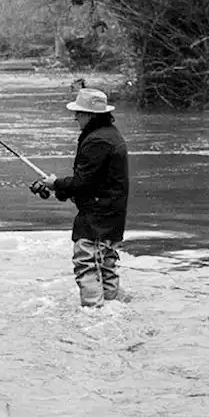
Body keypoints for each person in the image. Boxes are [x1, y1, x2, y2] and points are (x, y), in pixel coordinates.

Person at [38, 88, 130, 309]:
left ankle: (94, 316)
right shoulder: (110, 134)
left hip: (97, 218)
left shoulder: (97, 141)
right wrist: (61, 190)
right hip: (112, 215)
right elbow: (92, 181)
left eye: (78, 113)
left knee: (87, 266)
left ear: (90, 115)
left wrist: (55, 184)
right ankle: (111, 308)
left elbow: (83, 183)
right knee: (106, 266)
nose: (75, 117)